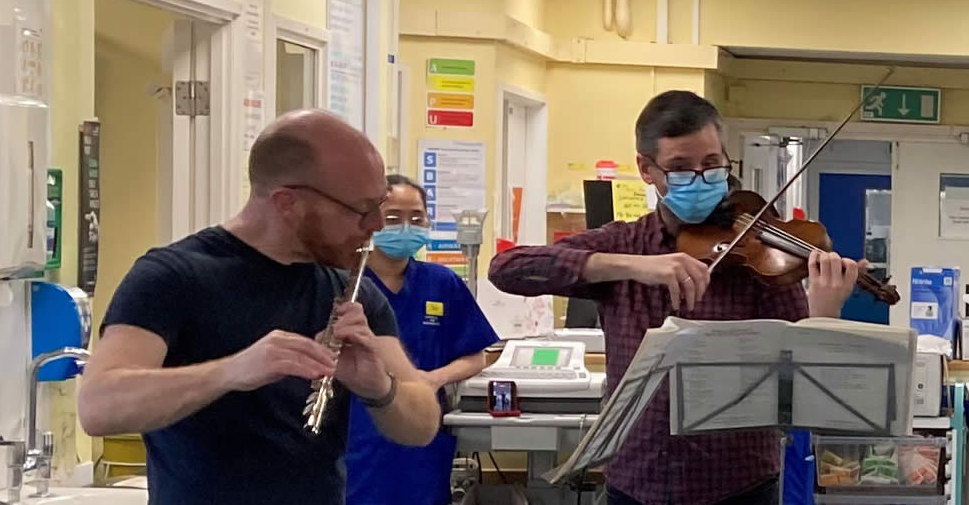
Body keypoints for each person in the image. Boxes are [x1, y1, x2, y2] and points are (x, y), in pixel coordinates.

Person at [489, 90, 867, 505]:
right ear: (647, 170)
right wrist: (630, 266)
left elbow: (801, 385)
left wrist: (825, 312)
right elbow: (507, 268)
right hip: (637, 481)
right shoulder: (625, 243)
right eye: (681, 169)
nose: (702, 179)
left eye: (711, 165)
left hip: (740, 486)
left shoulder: (757, 255)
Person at [77, 110, 442, 505]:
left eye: (379, 206)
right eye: (360, 210)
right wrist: (232, 371)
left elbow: (422, 423)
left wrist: (379, 387)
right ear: (288, 203)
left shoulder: (352, 292)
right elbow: (99, 406)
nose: (374, 225)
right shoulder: (172, 277)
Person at [345, 174, 500, 505]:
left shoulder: (441, 283)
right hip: (357, 430)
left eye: (416, 218)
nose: (406, 227)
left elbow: (477, 355)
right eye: (393, 218)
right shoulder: (347, 285)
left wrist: (433, 379)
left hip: (422, 432)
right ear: (370, 222)